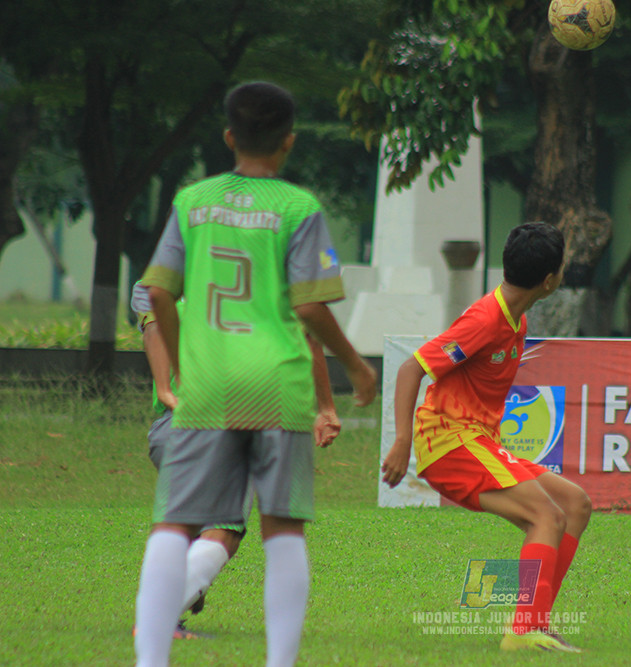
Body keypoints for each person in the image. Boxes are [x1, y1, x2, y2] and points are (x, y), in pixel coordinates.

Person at [133, 80, 377, 667]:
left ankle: (149, 661)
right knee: (282, 529)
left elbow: (157, 292)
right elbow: (310, 307)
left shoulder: (192, 202)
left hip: (208, 386)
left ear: (227, 136)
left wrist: (183, 355)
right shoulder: (299, 208)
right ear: (288, 142)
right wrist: (355, 364)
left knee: (173, 524)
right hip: (278, 387)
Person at [381, 222, 592, 653]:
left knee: (574, 504)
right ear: (549, 280)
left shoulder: (515, 316)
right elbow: (411, 368)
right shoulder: (486, 319)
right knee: (546, 516)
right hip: (450, 442)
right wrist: (402, 441)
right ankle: (523, 632)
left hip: (475, 440)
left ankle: (535, 624)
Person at [130, 282, 342, 639]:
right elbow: (308, 338)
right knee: (223, 530)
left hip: (170, 429)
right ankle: (157, 620)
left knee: (184, 524)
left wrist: (165, 389)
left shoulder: (155, 282)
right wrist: (326, 407)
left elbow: (152, 329)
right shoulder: (263, 278)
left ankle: (180, 600)